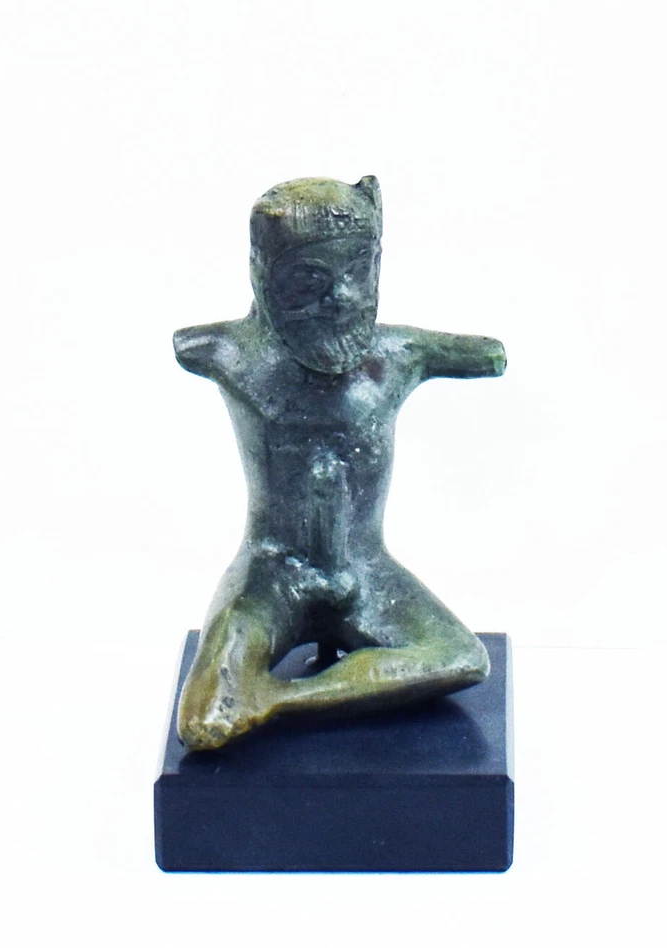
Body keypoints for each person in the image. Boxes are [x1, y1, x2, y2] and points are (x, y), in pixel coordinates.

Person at [173, 176, 506, 751]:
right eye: (311, 280)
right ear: (262, 274)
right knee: (204, 719)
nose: (343, 298)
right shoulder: (222, 352)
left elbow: (490, 354)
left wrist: (282, 698)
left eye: (358, 272)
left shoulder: (399, 354)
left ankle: (278, 698)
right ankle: (264, 691)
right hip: (272, 573)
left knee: (458, 657)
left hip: (367, 572)